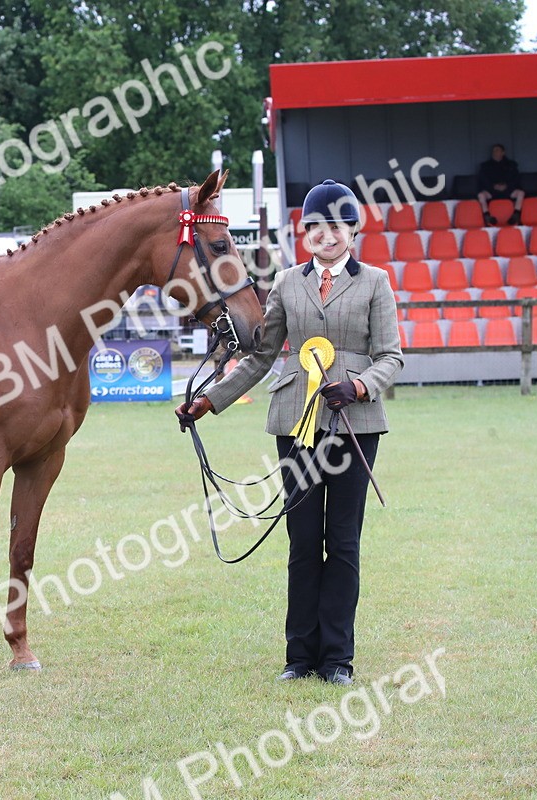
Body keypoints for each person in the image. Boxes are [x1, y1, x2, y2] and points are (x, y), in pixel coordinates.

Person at [175, 179, 403, 686]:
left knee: (342, 542)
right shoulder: (284, 283)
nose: (327, 235)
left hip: (354, 425)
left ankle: (337, 658)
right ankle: (298, 655)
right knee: (302, 542)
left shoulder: (375, 283)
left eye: (338, 225)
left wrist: (360, 386)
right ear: (305, 233)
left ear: (352, 231)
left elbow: (391, 355)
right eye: (317, 226)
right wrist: (210, 399)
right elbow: (260, 356)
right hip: (294, 425)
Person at [477, 144, 525, 226]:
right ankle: (487, 216)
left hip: (508, 190)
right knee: (481, 195)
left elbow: (516, 179)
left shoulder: (511, 165)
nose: (495, 152)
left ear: (503, 152)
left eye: (497, 150)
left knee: (521, 193)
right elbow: (483, 180)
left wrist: (507, 186)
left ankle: (516, 215)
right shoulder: (485, 166)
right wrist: (494, 186)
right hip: (492, 191)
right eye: (494, 151)